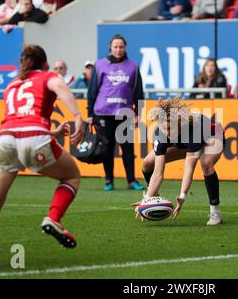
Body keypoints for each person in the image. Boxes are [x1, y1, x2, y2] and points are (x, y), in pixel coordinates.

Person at [0, 45, 85, 255]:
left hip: (4, 140)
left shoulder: (12, 85)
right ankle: (54, 218)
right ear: (44, 63)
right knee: (71, 176)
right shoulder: (46, 76)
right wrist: (78, 117)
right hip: (33, 138)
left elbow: (19, 123)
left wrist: (51, 134)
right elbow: (59, 85)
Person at [134, 98, 225, 226]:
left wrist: (182, 196)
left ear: (179, 122)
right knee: (148, 162)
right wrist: (148, 199)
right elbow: (158, 172)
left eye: (170, 128)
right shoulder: (161, 134)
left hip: (213, 135)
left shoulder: (193, 131)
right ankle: (153, 193)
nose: (167, 132)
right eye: (163, 128)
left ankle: (215, 212)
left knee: (206, 163)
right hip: (184, 142)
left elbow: (189, 169)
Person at [87, 34, 145, 192]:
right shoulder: (99, 65)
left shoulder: (133, 66)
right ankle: (109, 181)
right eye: (115, 47)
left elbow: (138, 91)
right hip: (103, 113)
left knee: (127, 148)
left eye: (121, 47)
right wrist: (90, 113)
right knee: (107, 148)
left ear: (125, 48)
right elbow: (92, 90)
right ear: (110, 48)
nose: (118, 49)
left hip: (125, 113)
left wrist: (138, 112)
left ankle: (132, 181)